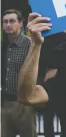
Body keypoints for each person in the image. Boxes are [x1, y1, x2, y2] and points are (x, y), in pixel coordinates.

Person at [1, 9, 36, 137]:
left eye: (12, 21)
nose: (8, 25)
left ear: (21, 24)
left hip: (24, 104)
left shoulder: (29, 44)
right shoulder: (3, 46)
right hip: (5, 103)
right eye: (5, 22)